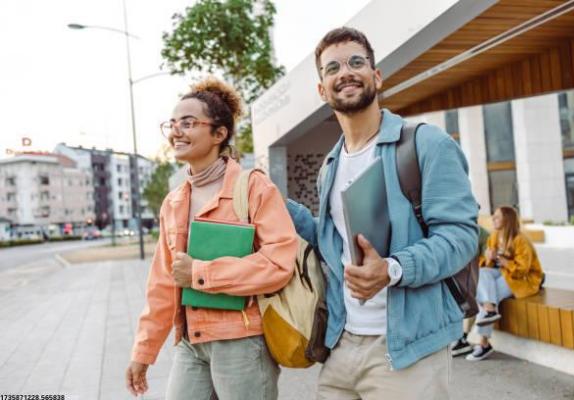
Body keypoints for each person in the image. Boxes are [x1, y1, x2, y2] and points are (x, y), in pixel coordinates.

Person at [286, 27, 479, 399]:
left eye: (356, 62)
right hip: (343, 346)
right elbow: (333, 246)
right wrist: (280, 206)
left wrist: (392, 269)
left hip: (407, 350)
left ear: (376, 76)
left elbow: (460, 237)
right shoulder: (330, 164)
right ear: (322, 90)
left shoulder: (425, 144)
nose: (345, 72)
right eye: (332, 68)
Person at [125, 77, 298, 399]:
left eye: (188, 123)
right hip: (191, 341)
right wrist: (143, 352)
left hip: (242, 343)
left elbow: (279, 263)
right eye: (172, 124)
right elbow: (163, 284)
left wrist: (200, 273)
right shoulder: (173, 201)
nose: (176, 131)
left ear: (219, 134)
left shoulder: (254, 188)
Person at [466, 206, 543, 361]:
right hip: (503, 274)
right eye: (493, 216)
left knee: (488, 296)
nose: (493, 219)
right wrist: (489, 257)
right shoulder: (495, 236)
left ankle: (484, 343)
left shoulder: (521, 240)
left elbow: (522, 270)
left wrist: (502, 261)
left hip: (523, 279)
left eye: (497, 217)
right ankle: (490, 309)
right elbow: (485, 266)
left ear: (507, 220)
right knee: (482, 275)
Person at [451, 224, 490, 357]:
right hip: (467, 275)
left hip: (481, 275)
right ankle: (460, 337)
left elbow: (487, 257)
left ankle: (466, 338)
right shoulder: (454, 230)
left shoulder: (481, 232)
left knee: (473, 298)